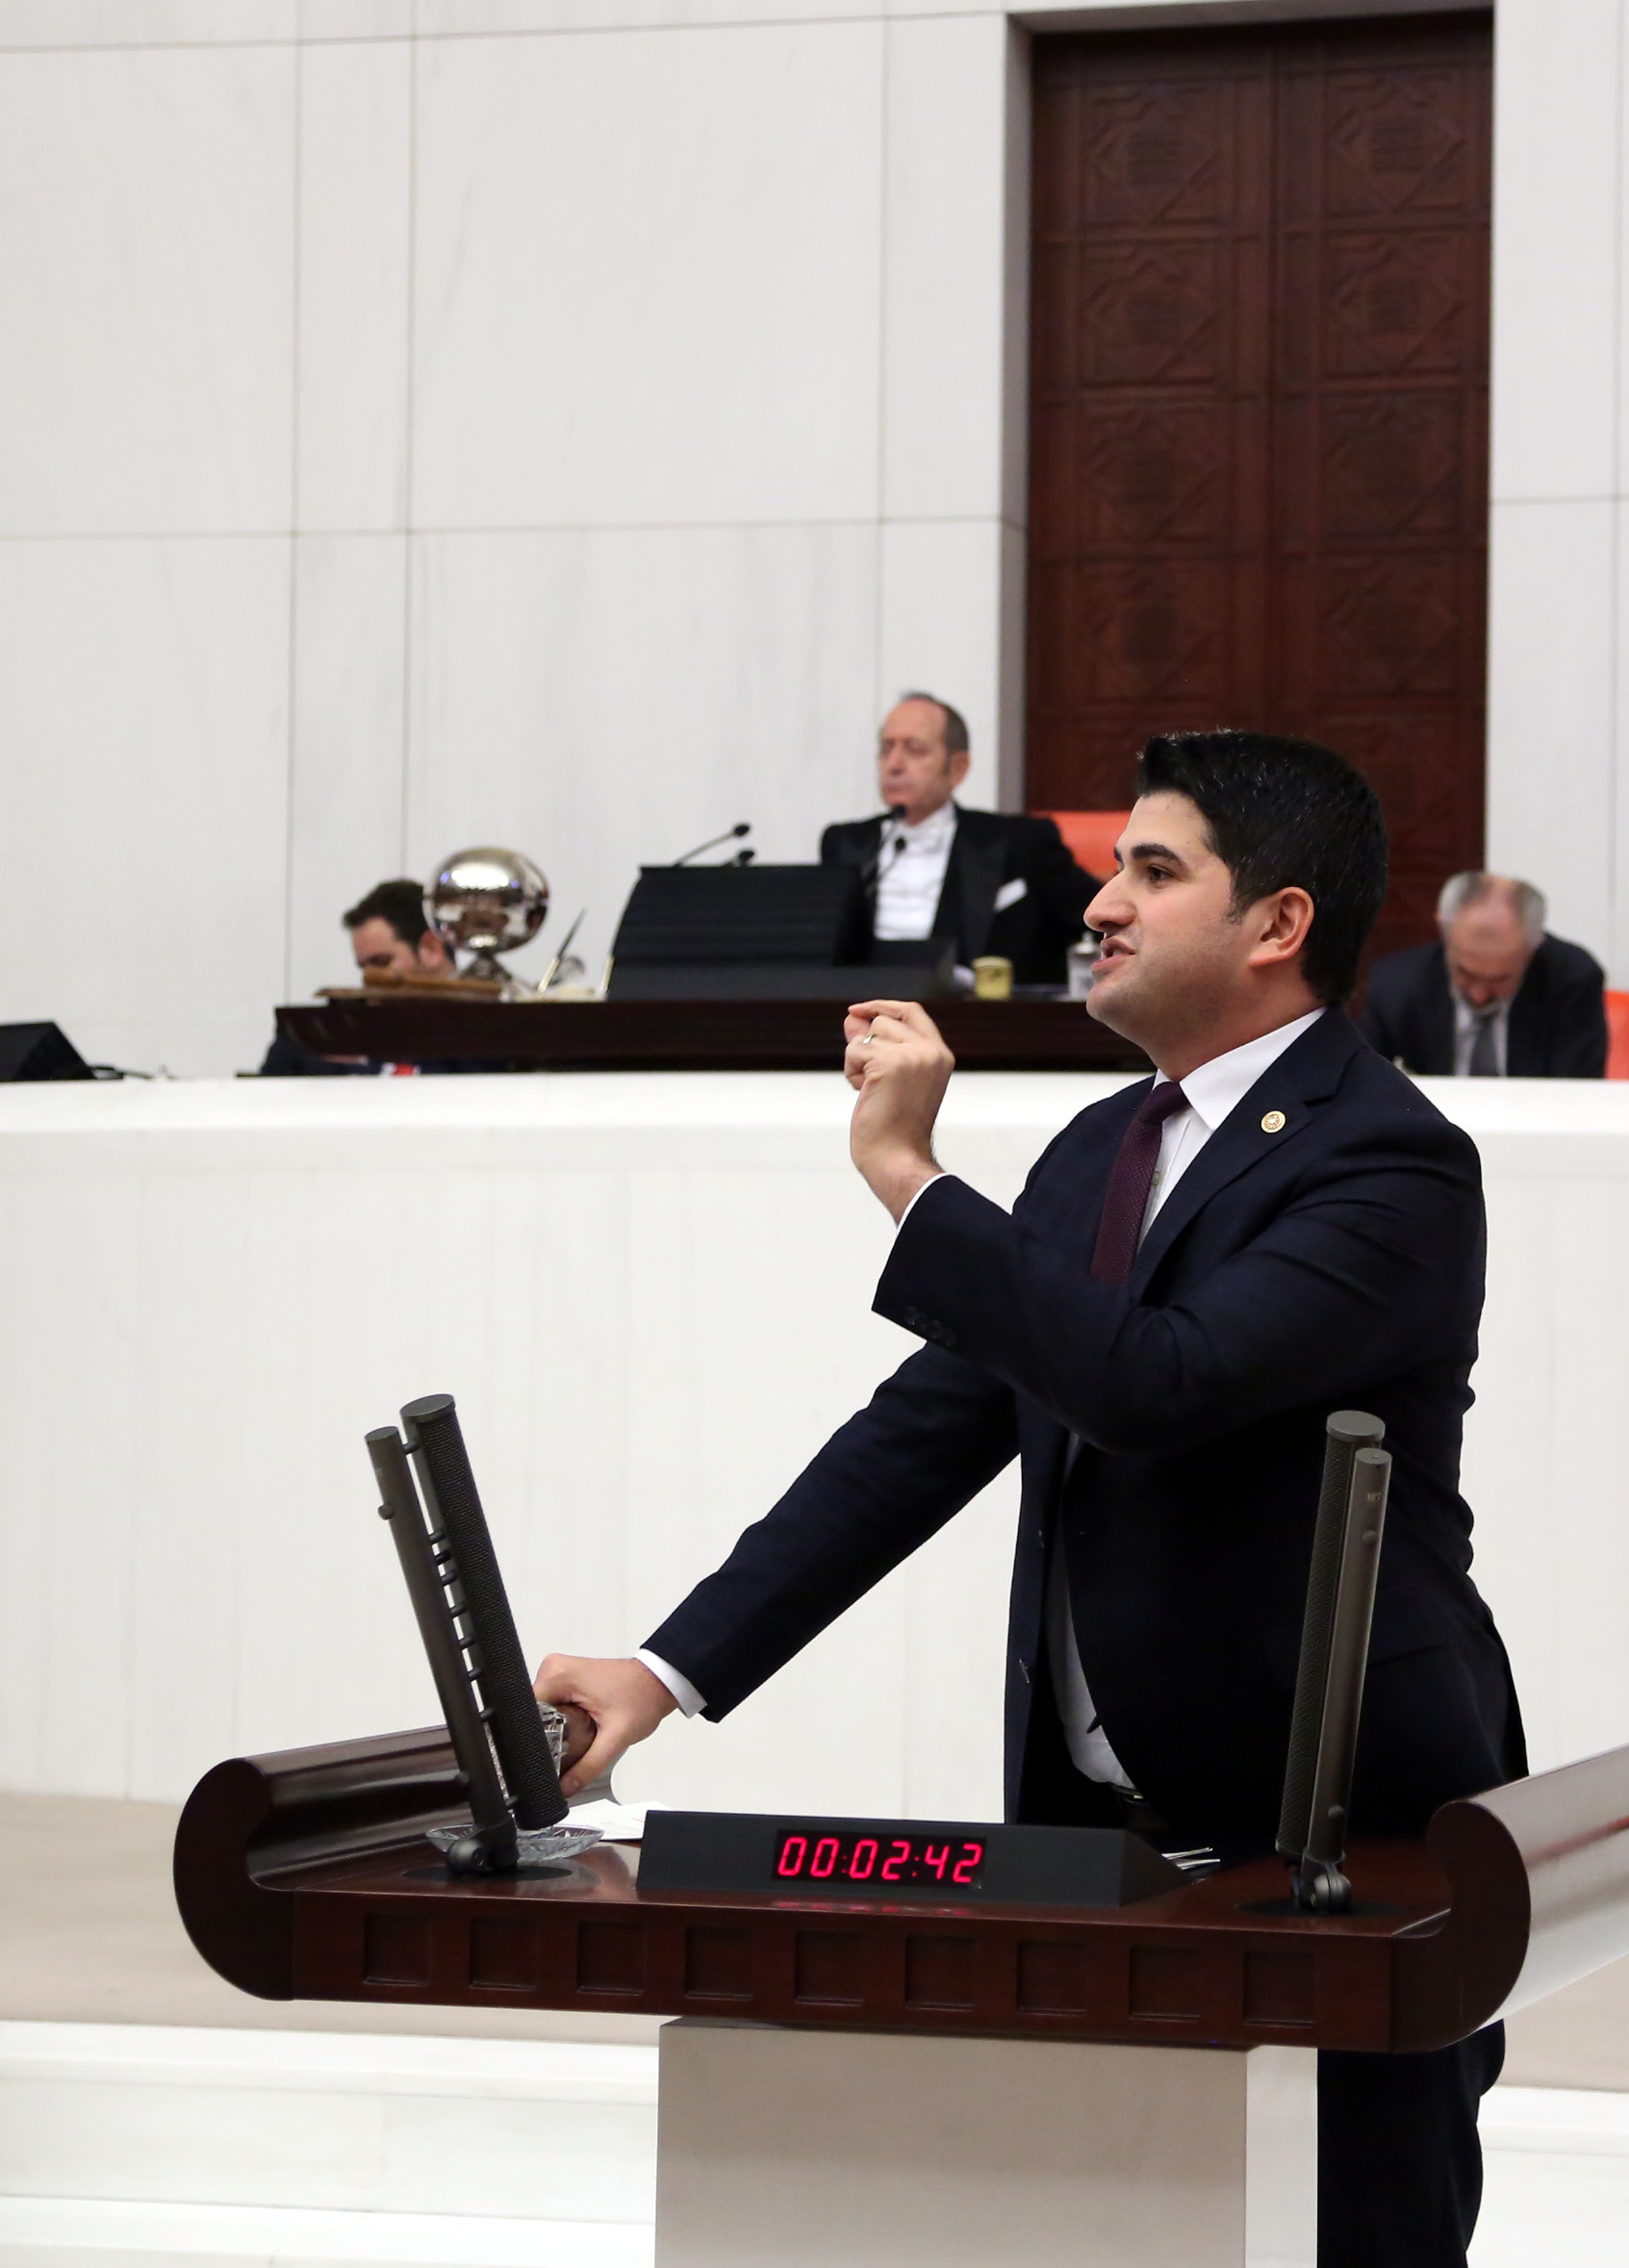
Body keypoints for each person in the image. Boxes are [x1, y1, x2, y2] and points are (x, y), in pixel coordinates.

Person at [537, 730, 1523, 2266]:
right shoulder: (1100, 1146)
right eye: (1114, 867)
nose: (1101, 904)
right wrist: (665, 1672)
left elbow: (1159, 1384)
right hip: (1095, 1837)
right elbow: (924, 1435)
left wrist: (909, 1176)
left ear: (1277, 923)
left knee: (1354, 2227)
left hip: (1341, 1830)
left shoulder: (1391, 1161)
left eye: (1153, 870)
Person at [819, 694, 1093, 985]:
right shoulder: (844, 843)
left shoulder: (1022, 842)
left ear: (957, 768)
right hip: (861, 1001)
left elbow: (1096, 920)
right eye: (887, 749)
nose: (894, 764)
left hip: (973, 1008)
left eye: (914, 749)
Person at [1356, 872, 1609, 1077]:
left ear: (1534, 948)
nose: (1479, 995)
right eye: (1465, 973)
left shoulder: (1572, 981)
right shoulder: (1395, 986)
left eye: (1500, 979)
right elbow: (1364, 1085)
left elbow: (1577, 1095)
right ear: (1443, 932)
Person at [257, 879, 458, 1076]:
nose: (368, 978)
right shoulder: (316, 1038)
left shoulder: (474, 1036)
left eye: (382, 962)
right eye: (364, 967)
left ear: (432, 949)